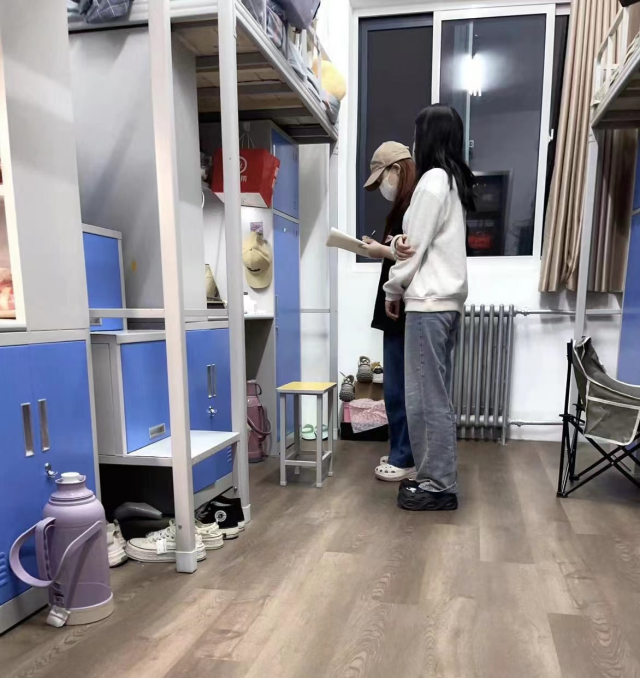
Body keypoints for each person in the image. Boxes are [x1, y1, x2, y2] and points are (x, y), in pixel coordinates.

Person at [384, 104, 474, 512]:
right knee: (435, 396)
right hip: (446, 304)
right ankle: (435, 478)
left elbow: (412, 248)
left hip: (428, 304)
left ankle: (438, 485)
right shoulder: (452, 181)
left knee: (424, 400)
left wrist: (393, 289)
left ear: (428, 137)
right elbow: (417, 241)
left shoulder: (433, 180)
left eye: (416, 134)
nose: (414, 142)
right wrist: (399, 243)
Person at [361, 142, 417, 482]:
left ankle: (403, 457)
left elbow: (410, 254)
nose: (382, 187)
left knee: (399, 387)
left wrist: (380, 250)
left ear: (396, 169)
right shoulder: (405, 206)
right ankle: (400, 450)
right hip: (397, 304)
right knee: (397, 386)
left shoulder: (412, 206)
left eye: (381, 178)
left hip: (403, 306)